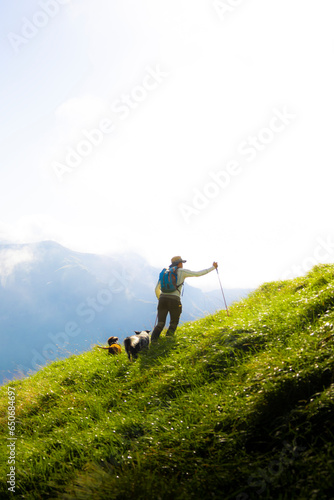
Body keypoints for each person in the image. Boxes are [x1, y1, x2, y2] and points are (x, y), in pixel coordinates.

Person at [151, 256, 218, 342]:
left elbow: (156, 289)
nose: (182, 265)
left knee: (160, 324)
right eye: (182, 263)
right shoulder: (182, 271)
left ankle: (153, 342)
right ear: (179, 263)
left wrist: (160, 299)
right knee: (173, 322)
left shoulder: (164, 273)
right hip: (174, 300)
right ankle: (168, 340)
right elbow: (197, 274)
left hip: (162, 299)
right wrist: (213, 267)